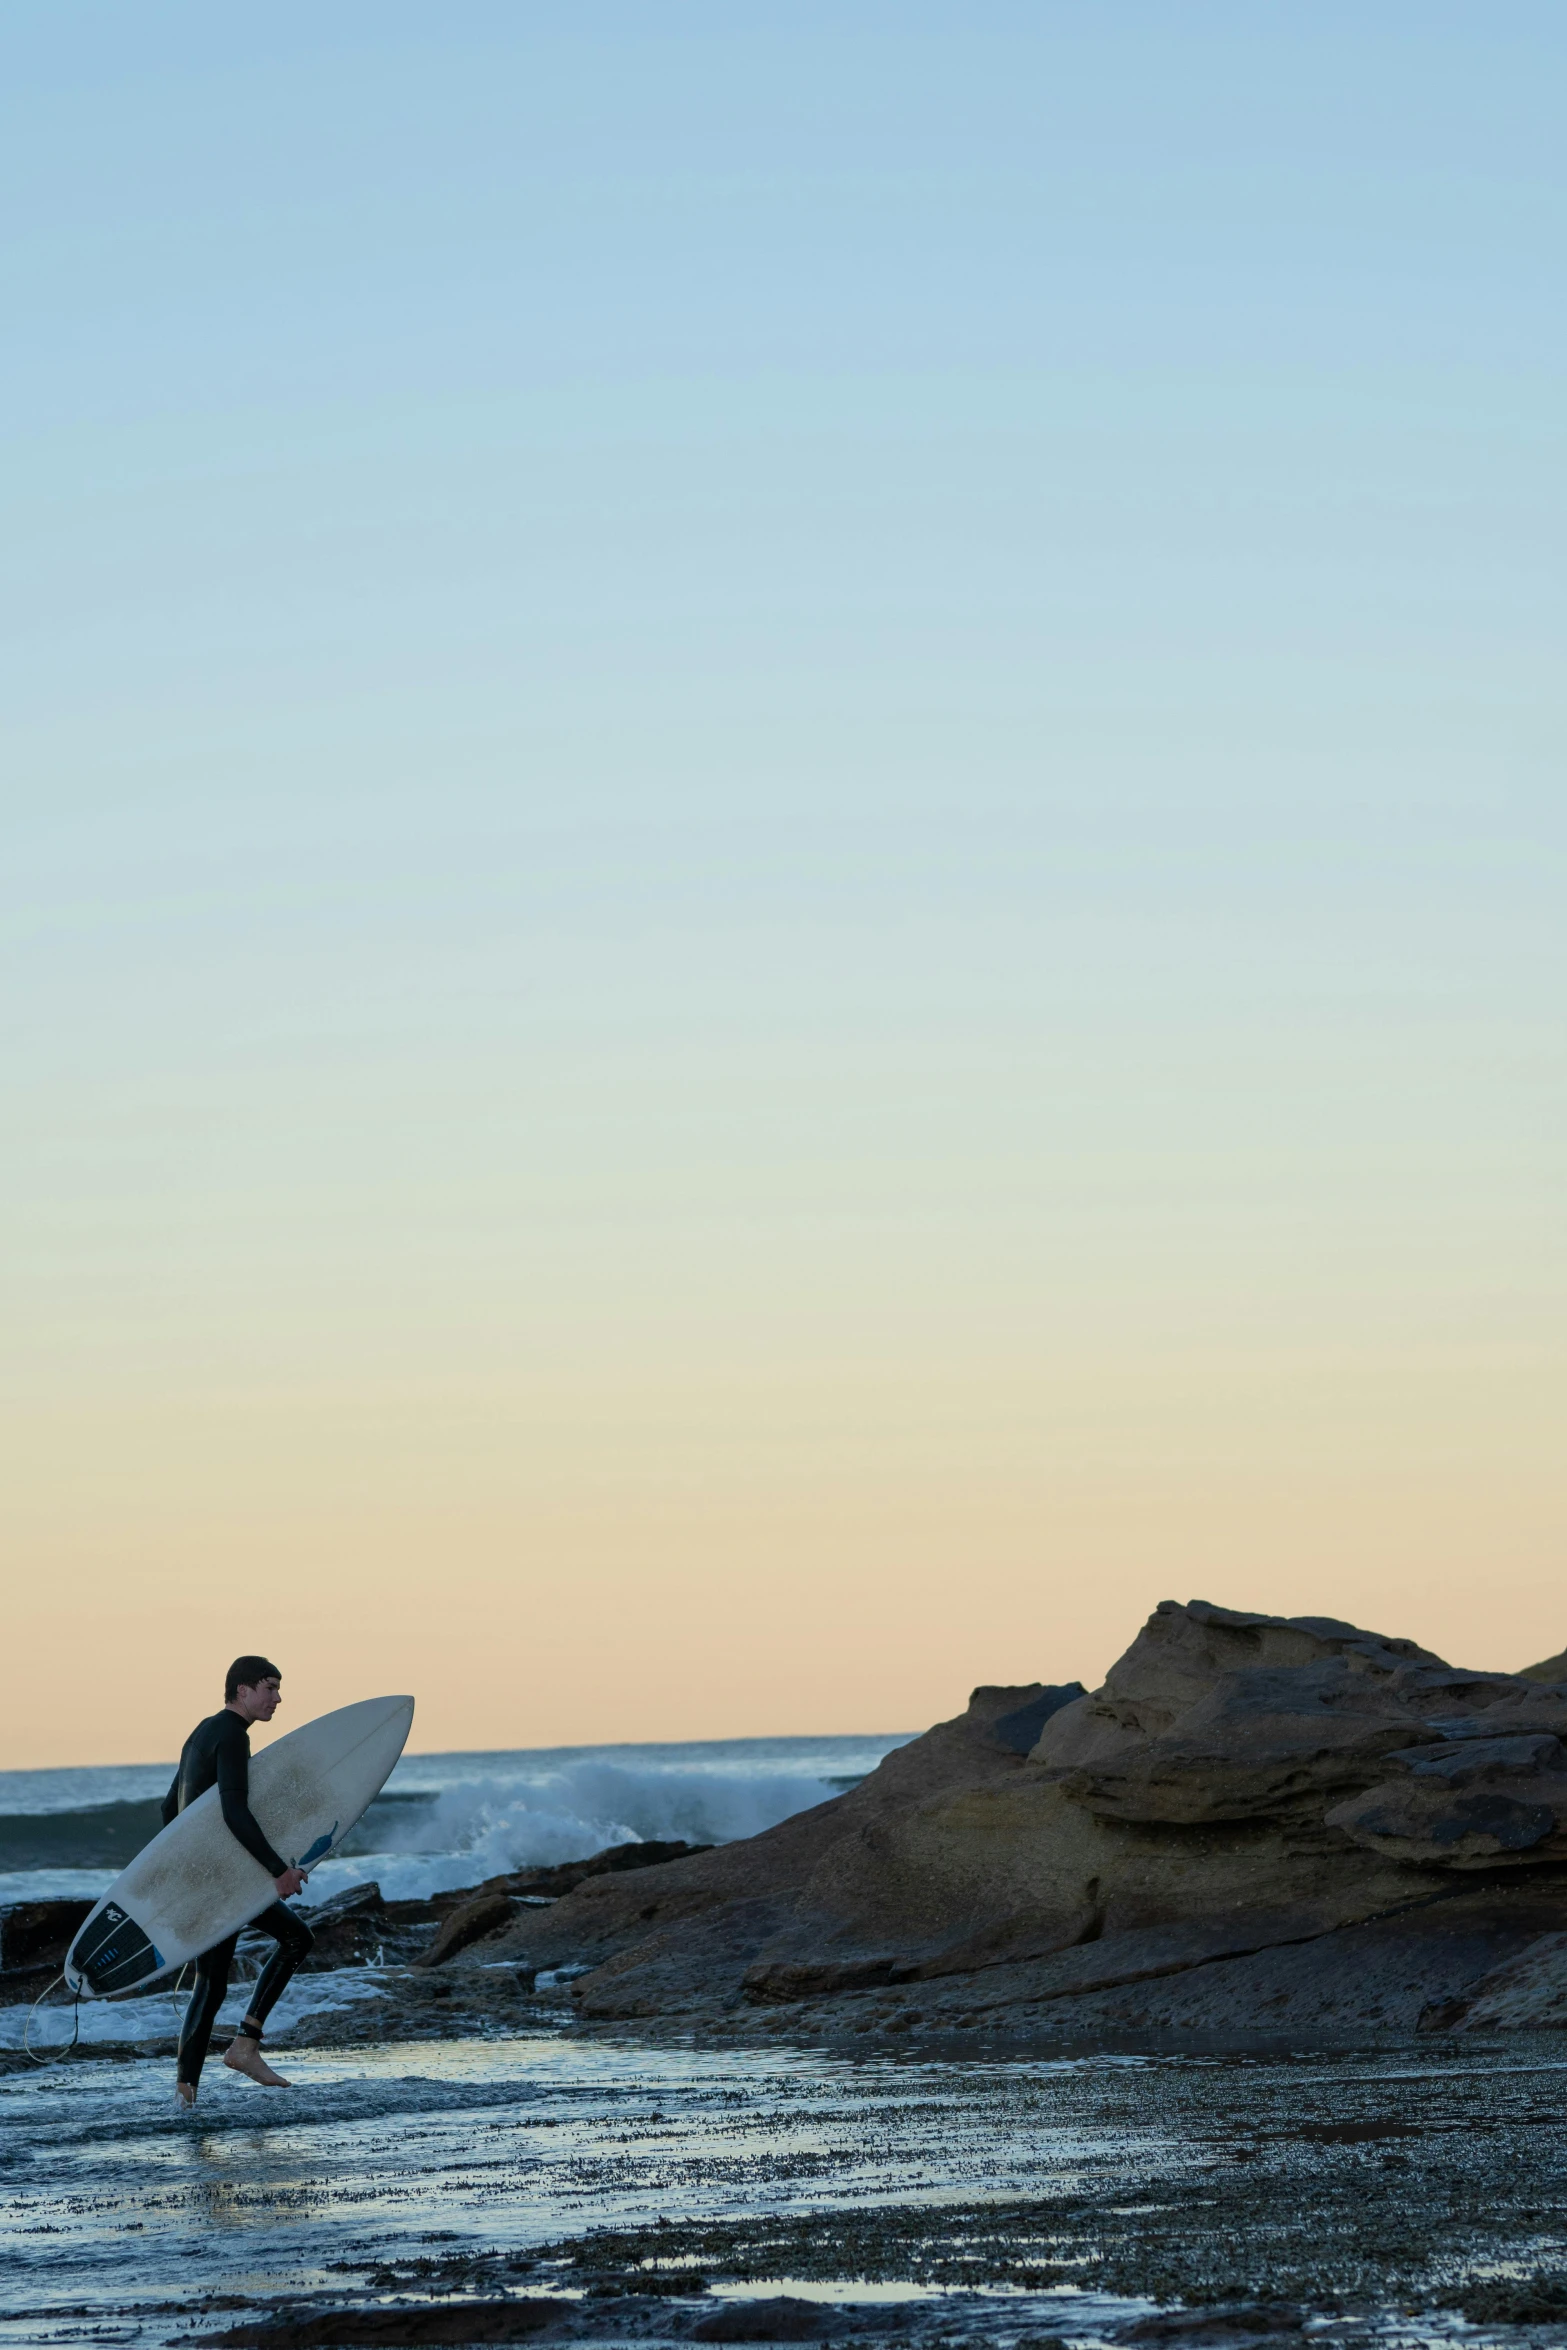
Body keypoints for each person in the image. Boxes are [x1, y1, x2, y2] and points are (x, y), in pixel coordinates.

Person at [163, 1656, 314, 2107]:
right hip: (224, 1879)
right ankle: (245, 2045)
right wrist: (278, 1870)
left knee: (210, 1982)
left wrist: (177, 1871)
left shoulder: (203, 1731)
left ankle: (185, 2094)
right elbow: (234, 1810)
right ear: (242, 1690)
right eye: (269, 1688)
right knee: (296, 1939)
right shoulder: (232, 1735)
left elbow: (170, 1809)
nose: (277, 1698)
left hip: (203, 1876)